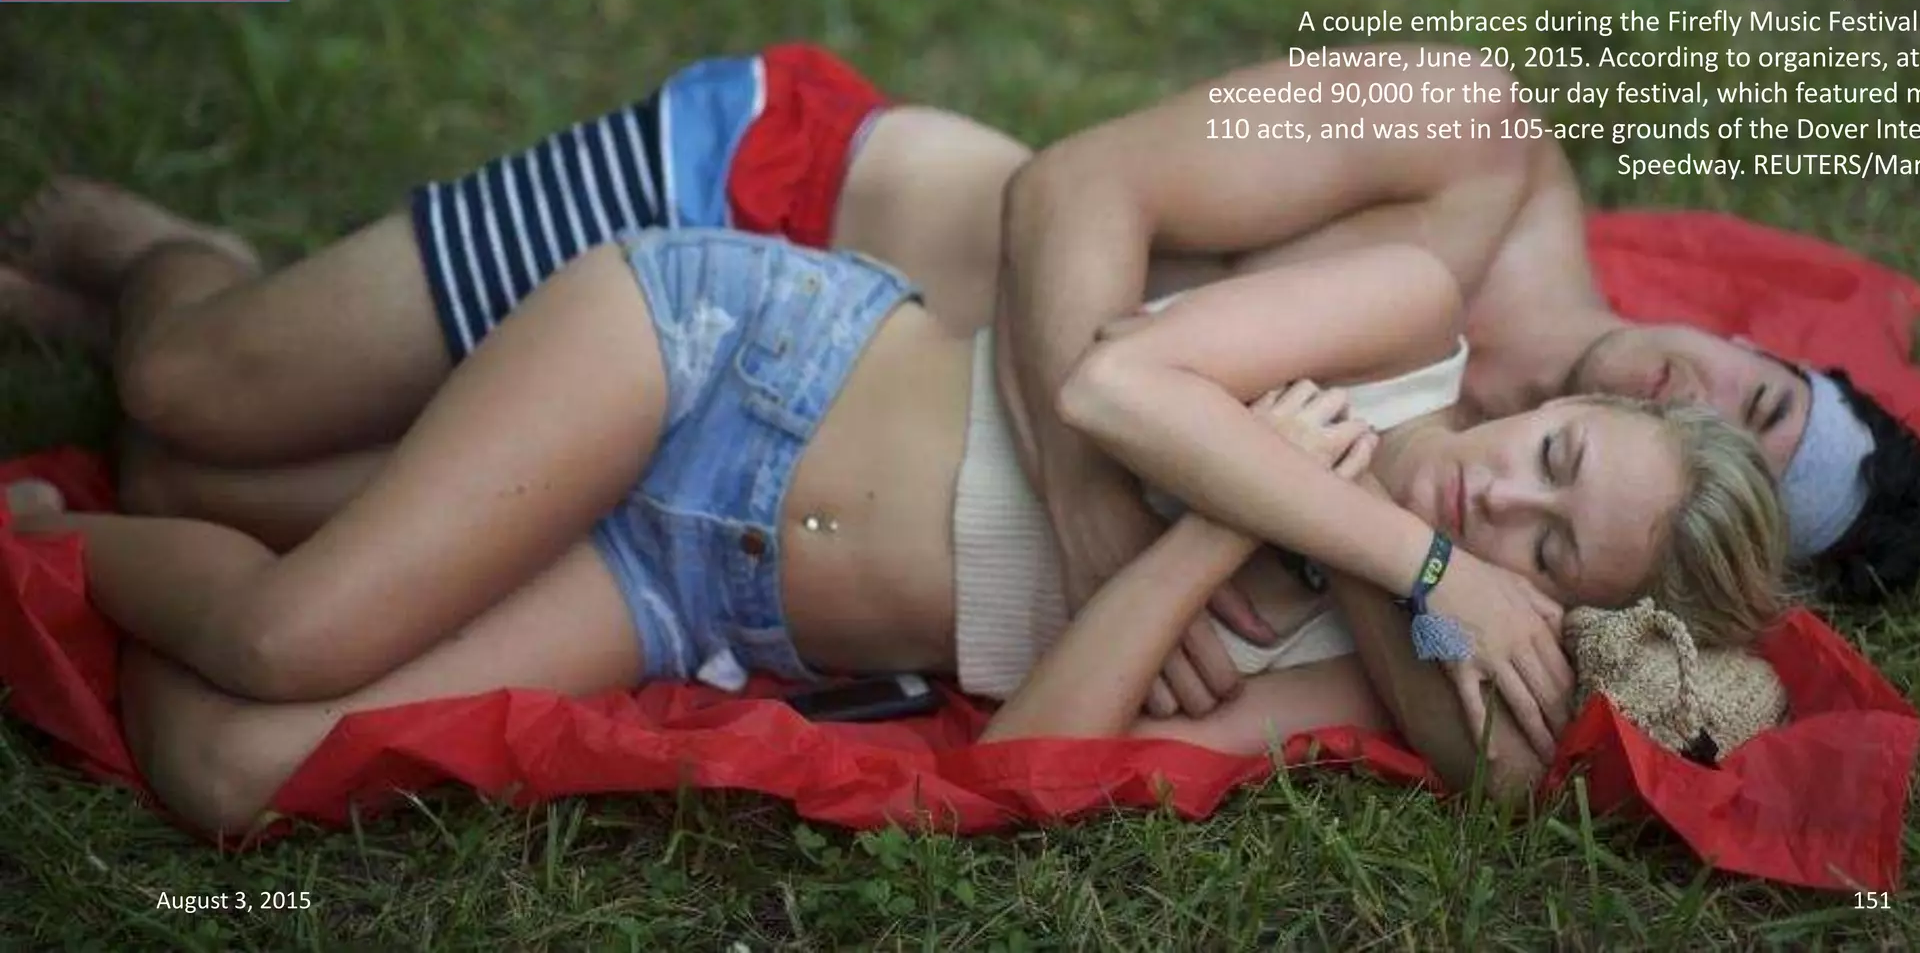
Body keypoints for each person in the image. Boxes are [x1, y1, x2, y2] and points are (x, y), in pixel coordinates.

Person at [0, 41, 1920, 716]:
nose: (1705, 395)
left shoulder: (1525, 492)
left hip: (806, 444)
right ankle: (168, 259)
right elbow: (1072, 191)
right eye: (1765, 391)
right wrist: (1105, 540)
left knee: (212, 508)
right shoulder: (1465, 140)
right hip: (756, 206)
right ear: (1738, 357)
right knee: (200, 394)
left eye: (1744, 459)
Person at [2, 228, 1788, 837]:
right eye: (1557, 454)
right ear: (1558, 396)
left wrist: (1251, 550)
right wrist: (1415, 552)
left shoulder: (1348, 675)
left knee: (237, 771)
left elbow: (1020, 763)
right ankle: (132, 368)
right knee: (291, 631)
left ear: (1561, 611)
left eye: (1555, 548)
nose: (1506, 501)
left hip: (700, 594)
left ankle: (110, 514)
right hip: (721, 364)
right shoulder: (1402, 326)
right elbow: (1114, 387)